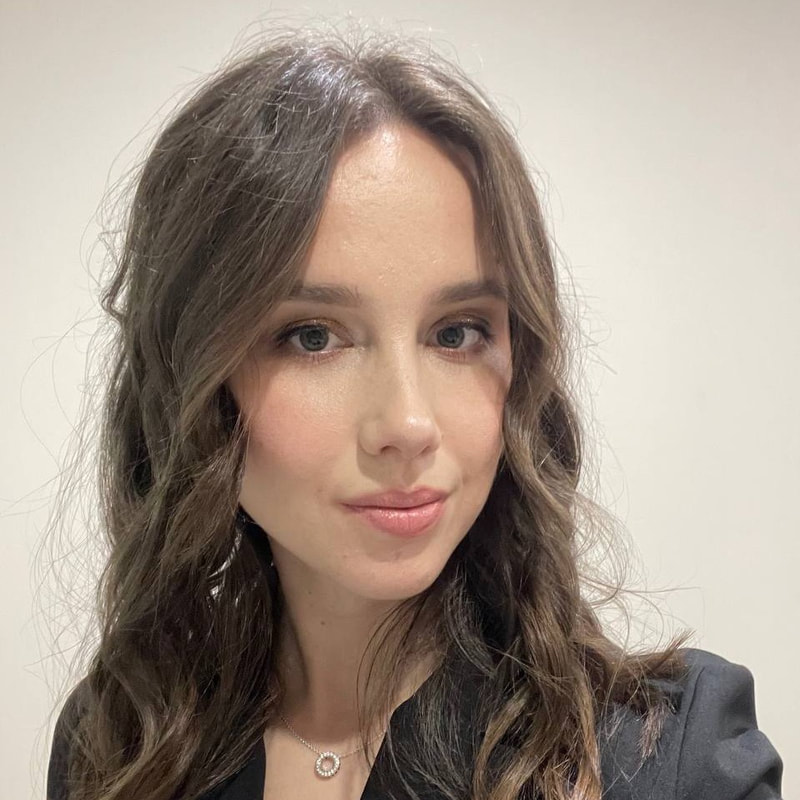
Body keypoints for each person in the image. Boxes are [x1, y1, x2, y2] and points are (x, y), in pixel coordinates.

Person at [45, 25, 784, 800]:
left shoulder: (672, 761)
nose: (407, 424)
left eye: (457, 333)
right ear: (192, 375)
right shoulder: (123, 743)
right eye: (312, 336)